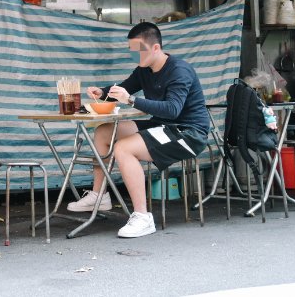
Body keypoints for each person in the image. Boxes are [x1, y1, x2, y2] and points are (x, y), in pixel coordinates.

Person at [67, 21, 210, 238]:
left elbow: (172, 110)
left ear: (155, 48)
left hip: (187, 133)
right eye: (132, 51)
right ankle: (99, 195)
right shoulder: (144, 70)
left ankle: (143, 217)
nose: (135, 56)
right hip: (161, 125)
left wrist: (131, 100)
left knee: (123, 148)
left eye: (138, 51)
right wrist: (102, 92)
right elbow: (125, 88)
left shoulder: (180, 70)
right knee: (104, 131)